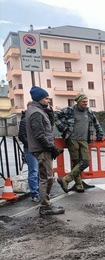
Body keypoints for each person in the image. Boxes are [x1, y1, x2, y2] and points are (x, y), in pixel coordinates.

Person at [25, 86, 65, 216]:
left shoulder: (37, 110)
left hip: (42, 149)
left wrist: (50, 113)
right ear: (39, 98)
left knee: (47, 177)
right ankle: (45, 206)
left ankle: (46, 204)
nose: (48, 100)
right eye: (46, 98)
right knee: (46, 178)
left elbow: (47, 128)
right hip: (42, 150)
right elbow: (39, 135)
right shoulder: (36, 113)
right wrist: (51, 147)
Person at [54, 93, 104, 193]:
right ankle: (79, 185)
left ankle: (66, 179)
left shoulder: (89, 112)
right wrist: (63, 127)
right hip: (72, 139)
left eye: (86, 101)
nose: (86, 103)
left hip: (84, 140)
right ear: (78, 102)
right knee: (76, 162)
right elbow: (55, 116)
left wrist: (100, 133)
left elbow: (96, 123)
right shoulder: (69, 110)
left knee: (85, 162)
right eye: (83, 101)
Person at [18, 101, 39, 202]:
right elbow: (21, 136)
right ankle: (35, 193)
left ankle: (38, 192)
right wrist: (31, 145)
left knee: (38, 171)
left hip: (37, 148)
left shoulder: (35, 118)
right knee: (34, 171)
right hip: (30, 149)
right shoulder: (25, 120)